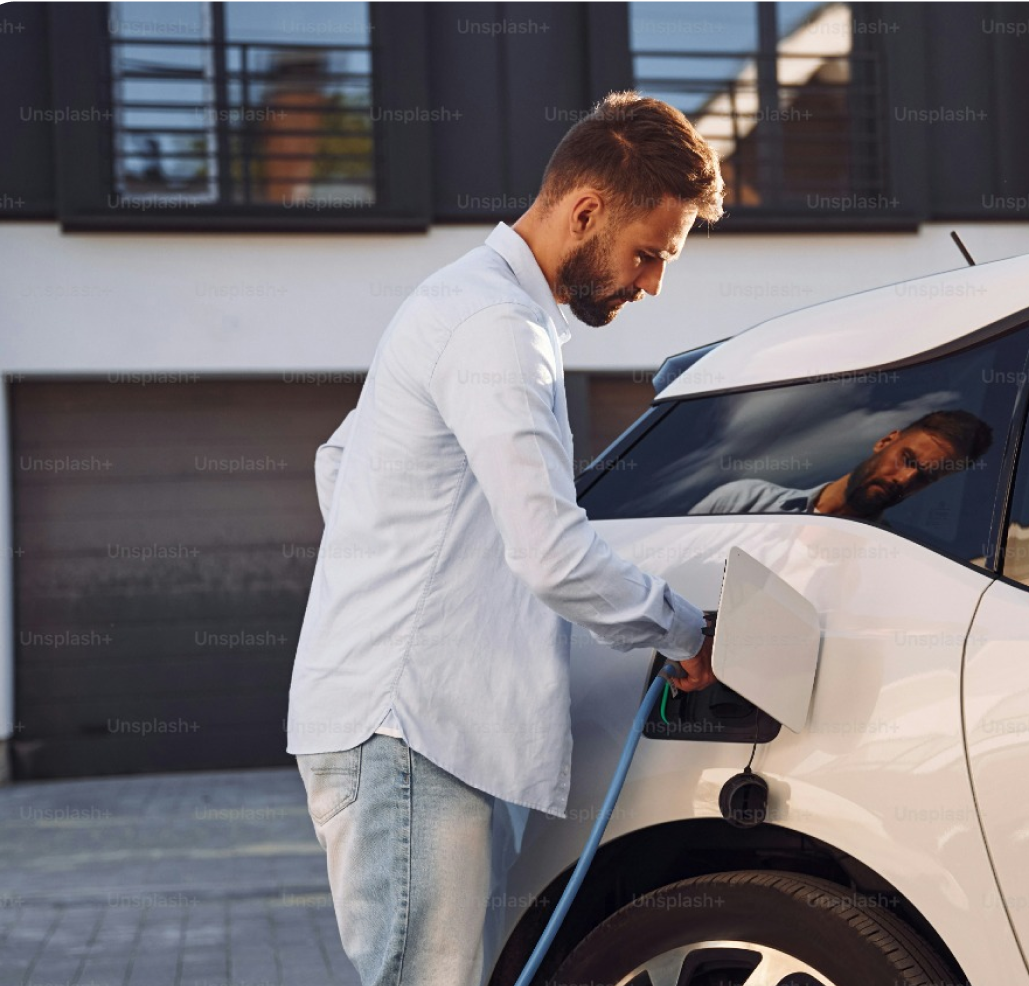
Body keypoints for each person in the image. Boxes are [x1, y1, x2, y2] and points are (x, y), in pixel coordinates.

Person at [285, 91, 723, 986]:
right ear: (586, 212)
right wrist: (685, 632)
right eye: (649, 254)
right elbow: (551, 552)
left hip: (419, 730)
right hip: (413, 734)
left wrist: (419, 565)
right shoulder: (496, 329)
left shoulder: (471, 306)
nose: (652, 284)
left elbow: (343, 464)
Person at [688, 410, 992, 520]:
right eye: (908, 460)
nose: (905, 479)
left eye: (926, 477)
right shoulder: (745, 500)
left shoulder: (883, 561)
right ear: (885, 441)